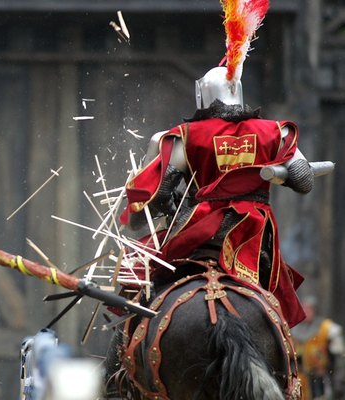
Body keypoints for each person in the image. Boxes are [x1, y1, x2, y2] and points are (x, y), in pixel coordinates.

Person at [119, 2, 313, 327]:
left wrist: (164, 207)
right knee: (273, 299)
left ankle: (123, 356)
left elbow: (159, 193)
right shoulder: (274, 133)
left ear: (204, 96)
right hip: (254, 232)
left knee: (145, 289)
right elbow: (304, 180)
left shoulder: (186, 136)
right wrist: (279, 175)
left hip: (200, 229)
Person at [292, 296, 345, 399]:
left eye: (308, 309)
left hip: (323, 378)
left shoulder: (327, 329)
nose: (306, 312)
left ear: (315, 310)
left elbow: (339, 358)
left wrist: (339, 379)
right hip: (301, 380)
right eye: (303, 309)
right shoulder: (294, 331)